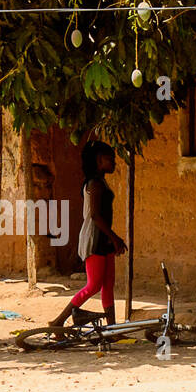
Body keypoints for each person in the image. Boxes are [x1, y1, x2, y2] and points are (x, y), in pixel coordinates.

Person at [48, 140, 127, 330]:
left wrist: (112, 238)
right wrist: (115, 238)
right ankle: (58, 322)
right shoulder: (94, 184)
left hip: (104, 238)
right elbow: (95, 215)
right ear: (99, 161)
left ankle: (112, 329)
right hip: (94, 239)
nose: (114, 163)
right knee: (93, 285)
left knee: (108, 285)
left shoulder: (100, 182)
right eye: (111, 159)